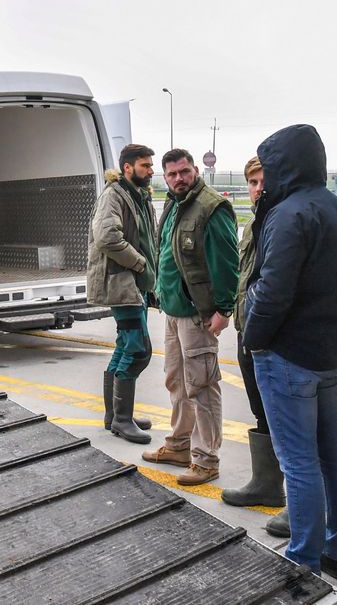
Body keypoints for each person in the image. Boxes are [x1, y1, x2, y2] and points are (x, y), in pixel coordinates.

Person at [243, 124, 337, 583]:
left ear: (283, 166)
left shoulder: (288, 213)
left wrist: (255, 339)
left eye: (268, 167)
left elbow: (273, 291)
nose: (265, 178)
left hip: (287, 353)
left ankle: (303, 560)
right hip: (327, 351)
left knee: (298, 462)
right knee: (333, 454)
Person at [141, 148, 238, 486]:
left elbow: (227, 263)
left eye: (184, 172)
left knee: (202, 385)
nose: (178, 179)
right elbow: (164, 251)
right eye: (172, 174)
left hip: (198, 313)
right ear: (164, 178)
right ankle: (180, 445)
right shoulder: (173, 203)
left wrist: (224, 309)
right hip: (172, 309)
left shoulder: (211, 208)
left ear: (195, 170)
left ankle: (206, 460)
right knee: (176, 381)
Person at [221, 157, 288, 534]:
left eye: (263, 180)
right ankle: (266, 485)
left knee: (288, 423)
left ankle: (297, 502)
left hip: (271, 339)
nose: (257, 188)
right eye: (252, 182)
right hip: (247, 331)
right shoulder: (254, 223)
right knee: (262, 413)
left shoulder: (282, 222)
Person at [87, 143, 159, 444]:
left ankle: (114, 416)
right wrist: (141, 264)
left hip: (136, 285)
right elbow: (106, 237)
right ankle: (122, 419)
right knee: (138, 349)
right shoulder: (114, 195)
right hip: (122, 283)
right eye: (145, 165)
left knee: (124, 346)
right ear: (128, 167)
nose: (151, 171)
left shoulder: (139, 196)